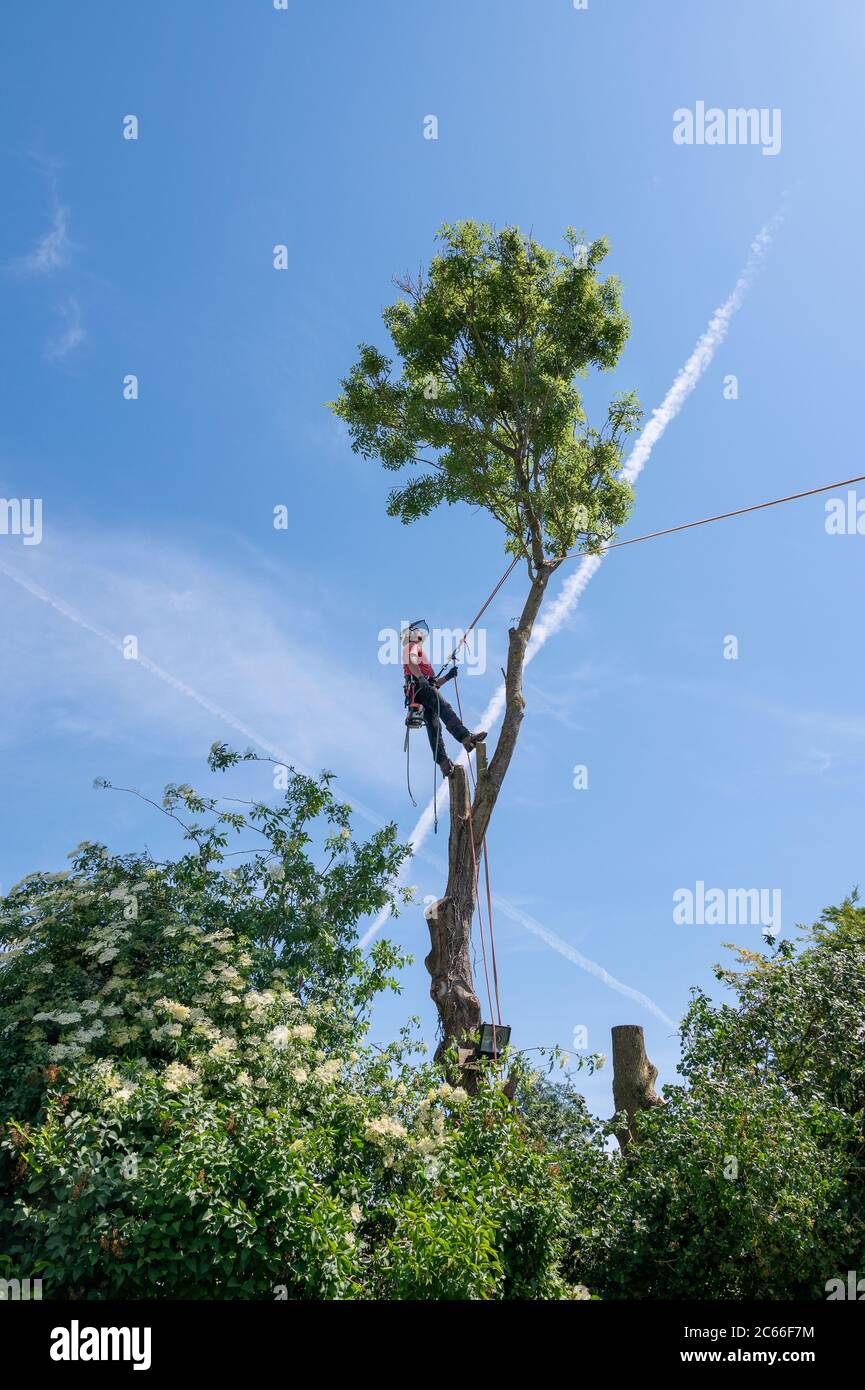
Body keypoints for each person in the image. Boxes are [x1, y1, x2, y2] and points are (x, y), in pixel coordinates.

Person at [401, 621, 487, 777]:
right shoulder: (412, 647)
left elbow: (434, 684)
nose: (420, 634)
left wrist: (447, 677)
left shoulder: (419, 654)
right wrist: (420, 677)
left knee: (434, 729)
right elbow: (411, 662)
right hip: (421, 688)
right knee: (444, 708)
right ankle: (465, 737)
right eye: (417, 632)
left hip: (420, 692)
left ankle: (444, 764)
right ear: (411, 635)